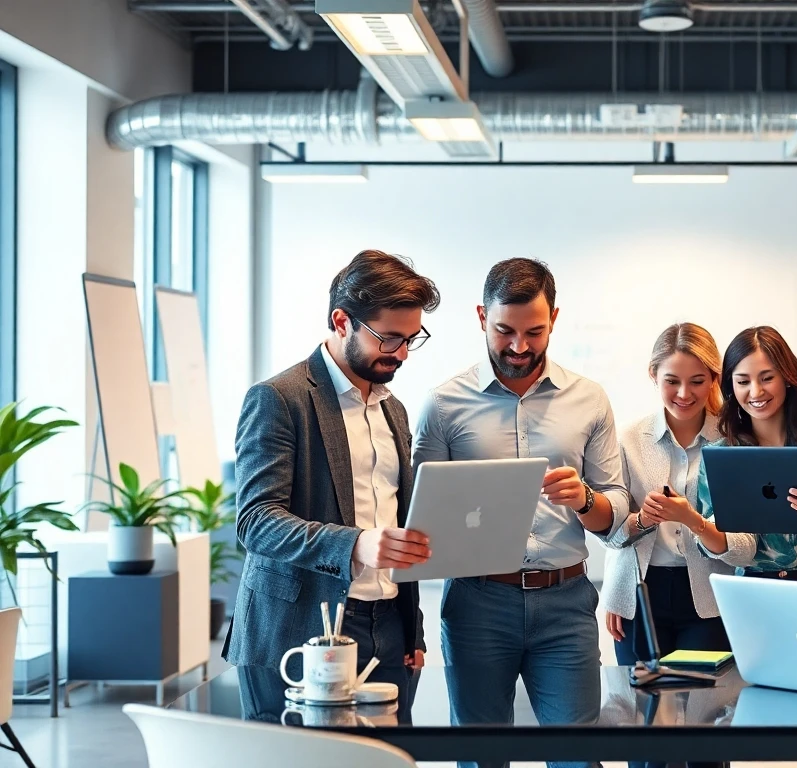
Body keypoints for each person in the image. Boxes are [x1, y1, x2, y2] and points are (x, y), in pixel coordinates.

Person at [413, 257, 630, 768]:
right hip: (478, 603)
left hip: (566, 602)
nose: (518, 346)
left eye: (534, 331)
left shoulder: (590, 399)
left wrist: (585, 500)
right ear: (479, 317)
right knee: (480, 757)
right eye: (503, 330)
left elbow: (616, 511)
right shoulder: (443, 404)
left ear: (554, 317)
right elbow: (418, 516)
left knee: (578, 759)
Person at [226, 249, 438, 715]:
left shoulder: (393, 410)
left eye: (412, 338)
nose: (401, 353)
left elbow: (399, 522)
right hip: (298, 629)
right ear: (342, 321)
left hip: (388, 629)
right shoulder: (278, 399)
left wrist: (411, 628)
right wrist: (355, 545)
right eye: (389, 338)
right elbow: (256, 522)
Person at [600, 322, 734, 768]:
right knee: (646, 739)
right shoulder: (629, 439)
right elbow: (614, 532)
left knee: (705, 737)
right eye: (671, 380)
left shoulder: (733, 439)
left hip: (707, 598)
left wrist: (689, 520)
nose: (684, 393)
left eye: (698, 381)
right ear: (653, 375)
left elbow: (740, 537)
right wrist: (642, 520)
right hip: (642, 596)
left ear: (715, 379)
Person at [645, 326, 797, 581]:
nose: (755, 392)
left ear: (787, 378)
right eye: (743, 381)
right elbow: (722, 548)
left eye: (767, 378)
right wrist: (692, 519)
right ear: (731, 387)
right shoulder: (719, 455)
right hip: (751, 589)